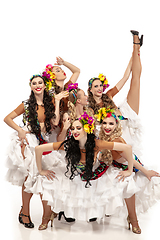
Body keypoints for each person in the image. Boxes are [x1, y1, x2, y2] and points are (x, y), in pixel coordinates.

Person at [34, 112, 136, 230]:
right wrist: (41, 170)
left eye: (78, 128)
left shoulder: (97, 144)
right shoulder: (68, 145)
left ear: (87, 129)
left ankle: (133, 219)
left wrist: (129, 170)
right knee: (46, 180)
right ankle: (46, 216)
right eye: (72, 128)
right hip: (74, 176)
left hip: (95, 175)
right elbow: (39, 149)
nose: (74, 131)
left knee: (127, 181)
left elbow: (127, 148)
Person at [4, 74, 68, 229]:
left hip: (42, 141)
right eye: (34, 83)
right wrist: (20, 130)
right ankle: (25, 212)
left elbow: (55, 122)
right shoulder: (26, 104)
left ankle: (44, 214)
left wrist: (58, 101)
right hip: (28, 140)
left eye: (40, 82)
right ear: (31, 86)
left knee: (41, 177)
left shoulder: (49, 103)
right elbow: (7, 118)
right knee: (30, 177)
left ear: (44, 86)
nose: (38, 85)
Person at [96, 106, 160, 234]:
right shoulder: (102, 137)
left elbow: (131, 158)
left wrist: (137, 171)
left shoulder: (116, 140)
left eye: (111, 124)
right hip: (113, 164)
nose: (107, 126)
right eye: (105, 123)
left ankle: (133, 218)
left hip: (128, 165)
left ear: (116, 125)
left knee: (127, 185)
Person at [88, 30, 143, 159]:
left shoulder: (108, 95)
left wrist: (133, 55)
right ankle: (137, 47)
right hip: (114, 128)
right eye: (96, 86)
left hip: (124, 116)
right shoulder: (90, 107)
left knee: (135, 80)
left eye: (100, 85)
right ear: (90, 90)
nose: (99, 88)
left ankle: (136, 47)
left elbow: (125, 77)